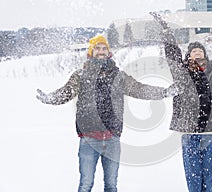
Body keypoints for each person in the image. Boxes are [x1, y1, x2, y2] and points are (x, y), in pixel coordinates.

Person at [36, 35, 177, 192]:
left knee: (111, 186)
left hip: (112, 139)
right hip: (89, 138)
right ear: (91, 52)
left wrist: (164, 92)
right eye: (98, 48)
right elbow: (66, 92)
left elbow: (139, 89)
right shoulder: (81, 76)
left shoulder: (118, 75)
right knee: (85, 185)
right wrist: (50, 98)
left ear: (109, 52)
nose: (101, 51)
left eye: (104, 48)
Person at [151, 12, 212, 192]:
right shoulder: (181, 72)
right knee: (193, 171)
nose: (197, 52)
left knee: (210, 172)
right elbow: (172, 51)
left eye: (200, 50)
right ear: (188, 56)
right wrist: (165, 28)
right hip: (189, 129)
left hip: (211, 129)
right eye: (194, 51)